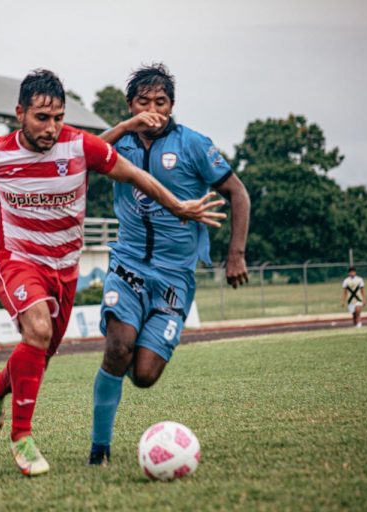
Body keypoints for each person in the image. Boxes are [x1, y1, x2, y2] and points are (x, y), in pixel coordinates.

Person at [0, 69, 227, 477]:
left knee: (42, 354)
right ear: (20, 113)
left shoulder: (78, 145)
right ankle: (22, 438)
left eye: (58, 118)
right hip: (16, 259)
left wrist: (180, 207)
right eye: (41, 118)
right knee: (37, 332)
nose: (51, 128)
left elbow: (135, 174)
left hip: (64, 270)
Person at [87, 64, 251, 466]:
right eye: (144, 102)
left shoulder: (193, 145)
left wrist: (235, 255)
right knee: (118, 347)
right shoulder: (119, 143)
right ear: (131, 105)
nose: (153, 110)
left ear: (172, 105)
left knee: (143, 375)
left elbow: (238, 194)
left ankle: (124, 365)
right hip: (127, 265)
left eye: (161, 102)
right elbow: (85, 162)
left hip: (175, 277)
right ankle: (99, 450)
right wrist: (124, 127)